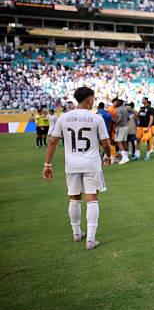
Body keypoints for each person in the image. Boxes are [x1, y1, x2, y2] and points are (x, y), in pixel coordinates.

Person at [42, 86, 112, 250]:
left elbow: (52, 142)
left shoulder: (64, 117)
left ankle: (76, 233)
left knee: (74, 197)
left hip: (72, 163)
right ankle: (91, 239)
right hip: (91, 163)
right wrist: (108, 156)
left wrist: (47, 165)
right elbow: (105, 143)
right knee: (92, 198)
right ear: (89, 99)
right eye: (93, 98)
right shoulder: (96, 118)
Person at [134, 97, 154, 161]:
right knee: (138, 139)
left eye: (143, 100)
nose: (142, 101)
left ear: (146, 101)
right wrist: (133, 111)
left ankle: (148, 154)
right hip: (140, 126)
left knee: (148, 140)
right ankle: (137, 154)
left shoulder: (150, 109)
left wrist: (149, 127)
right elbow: (138, 115)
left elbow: (151, 118)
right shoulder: (141, 108)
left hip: (146, 126)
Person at [113, 99, 130, 164]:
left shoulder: (118, 109)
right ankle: (126, 156)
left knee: (119, 141)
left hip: (121, 126)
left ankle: (124, 157)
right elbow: (128, 118)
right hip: (126, 126)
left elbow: (119, 118)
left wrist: (115, 125)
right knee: (124, 141)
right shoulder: (125, 109)